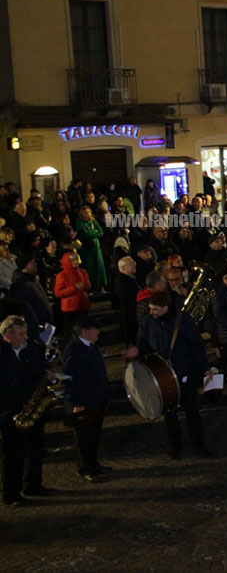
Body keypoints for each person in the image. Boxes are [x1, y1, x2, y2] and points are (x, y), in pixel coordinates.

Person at [131, 292, 214, 458]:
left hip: (185, 372)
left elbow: (196, 346)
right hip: (163, 375)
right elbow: (142, 343)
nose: (152, 312)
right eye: (150, 309)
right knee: (169, 415)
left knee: (192, 412)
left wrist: (204, 368)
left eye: (155, 309)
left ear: (166, 307)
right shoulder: (148, 322)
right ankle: (175, 448)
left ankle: (199, 446)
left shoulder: (183, 320)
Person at [1, 316, 55, 506]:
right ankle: (11, 494)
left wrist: (46, 376)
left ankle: (33, 484)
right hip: (11, 412)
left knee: (35, 448)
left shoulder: (27, 351)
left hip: (31, 408)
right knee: (14, 455)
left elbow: (35, 372)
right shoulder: (3, 355)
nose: (25, 338)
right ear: (8, 335)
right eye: (21, 334)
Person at [62, 315, 111, 482]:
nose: (98, 332)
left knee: (94, 435)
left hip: (95, 399)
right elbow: (70, 380)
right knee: (84, 438)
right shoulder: (74, 351)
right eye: (95, 329)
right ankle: (85, 468)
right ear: (85, 332)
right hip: (84, 401)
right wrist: (77, 403)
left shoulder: (90, 345)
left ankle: (93, 464)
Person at [74, 205, 107, 290]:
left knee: (99, 266)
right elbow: (86, 234)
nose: (87, 214)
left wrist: (93, 233)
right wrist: (94, 232)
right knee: (89, 268)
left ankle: (100, 286)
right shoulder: (80, 222)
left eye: (89, 212)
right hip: (87, 248)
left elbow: (101, 232)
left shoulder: (93, 221)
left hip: (96, 247)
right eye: (85, 213)